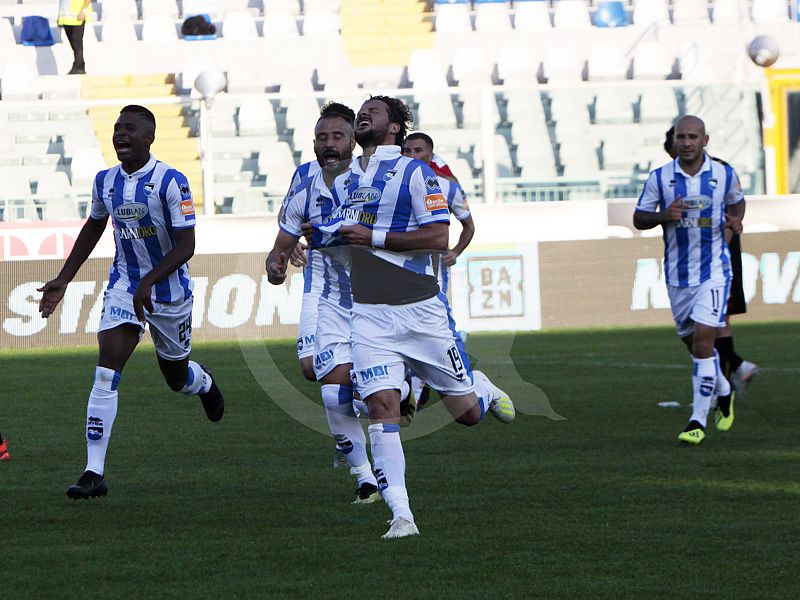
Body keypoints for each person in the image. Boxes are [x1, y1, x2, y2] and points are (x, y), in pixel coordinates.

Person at [315, 96, 515, 538]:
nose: (363, 113)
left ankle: (479, 386)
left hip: (421, 314)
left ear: (394, 127)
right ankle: (402, 516)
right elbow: (345, 232)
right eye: (360, 109)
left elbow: (437, 235)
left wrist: (372, 236)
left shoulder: (415, 172)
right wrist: (312, 240)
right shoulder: (346, 178)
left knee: (466, 414)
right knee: (382, 408)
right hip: (368, 316)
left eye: (374, 110)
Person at [38, 105, 224, 499]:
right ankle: (93, 472)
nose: (120, 134)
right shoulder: (105, 182)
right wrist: (64, 279)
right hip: (124, 285)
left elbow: (187, 245)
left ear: (149, 137)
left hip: (169, 293)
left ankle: (202, 381)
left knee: (176, 379)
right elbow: (94, 226)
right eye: (117, 128)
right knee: (106, 370)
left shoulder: (172, 181)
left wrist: (151, 283)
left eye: (130, 128)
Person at [266, 105, 381, 505]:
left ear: (352, 140)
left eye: (336, 137)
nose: (328, 144)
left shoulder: (371, 178)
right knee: (314, 373)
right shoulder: (304, 179)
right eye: (321, 138)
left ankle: (397, 400)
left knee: (360, 391)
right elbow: (285, 233)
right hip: (324, 291)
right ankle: (365, 477)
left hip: (375, 294)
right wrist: (278, 261)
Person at [636, 116, 745, 444]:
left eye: (692, 136)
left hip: (714, 272)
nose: (686, 142)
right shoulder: (660, 178)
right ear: (675, 141)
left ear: (705, 140)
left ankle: (697, 420)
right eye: (681, 136)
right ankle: (724, 391)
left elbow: (737, 203)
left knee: (702, 344)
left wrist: (734, 223)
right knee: (692, 343)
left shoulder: (723, 174)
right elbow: (639, 218)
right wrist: (661, 216)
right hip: (677, 276)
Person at [663, 126, 759, 396]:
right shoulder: (676, 177)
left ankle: (727, 382)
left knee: (719, 323)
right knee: (713, 324)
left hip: (719, 257)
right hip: (700, 259)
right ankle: (734, 374)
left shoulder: (718, 173)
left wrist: (718, 252)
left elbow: (734, 210)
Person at [57, 0, 93, 75]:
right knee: (74, 44)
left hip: (78, 16)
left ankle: (79, 67)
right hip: (66, 18)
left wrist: (84, 11)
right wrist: (60, 17)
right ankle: (79, 64)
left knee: (77, 42)